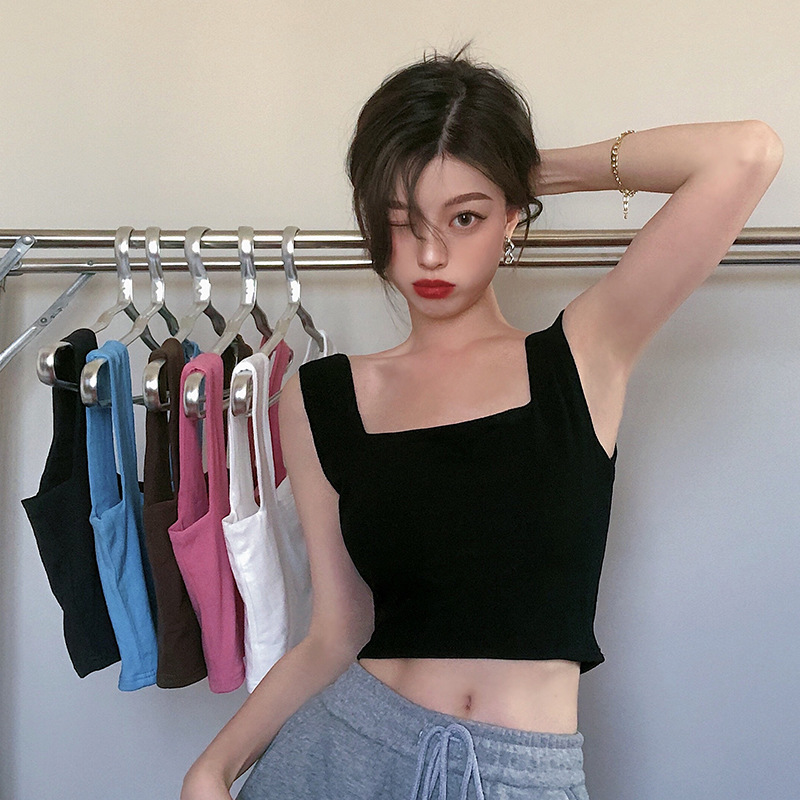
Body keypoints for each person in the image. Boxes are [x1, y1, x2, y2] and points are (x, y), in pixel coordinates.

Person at [180, 44, 783, 800]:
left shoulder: (580, 359)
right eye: (403, 222)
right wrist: (212, 769)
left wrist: (516, 167)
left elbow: (745, 154)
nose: (432, 253)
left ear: (511, 217)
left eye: (465, 217)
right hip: (347, 755)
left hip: (519, 775)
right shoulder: (320, 398)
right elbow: (336, 633)